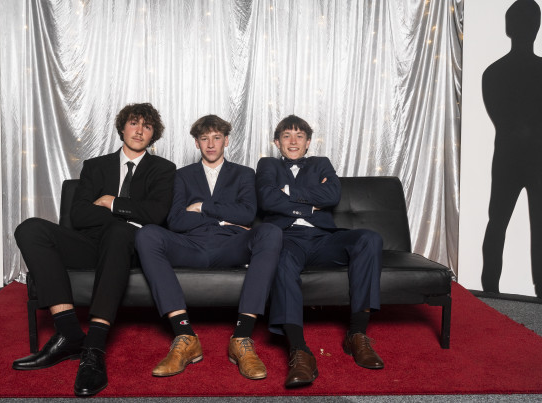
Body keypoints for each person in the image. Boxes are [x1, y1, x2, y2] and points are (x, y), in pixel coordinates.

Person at [12, 103, 175, 397]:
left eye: (147, 126)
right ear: (122, 127)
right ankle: (68, 333)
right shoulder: (95, 165)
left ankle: (95, 347)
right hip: (90, 243)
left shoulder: (163, 169)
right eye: (134, 123)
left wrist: (112, 202)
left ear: (154, 135)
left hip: (130, 247)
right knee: (30, 228)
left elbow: (157, 215)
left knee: (119, 231)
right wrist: (129, 212)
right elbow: (78, 215)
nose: (139, 130)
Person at [135, 115, 282, 380]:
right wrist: (224, 218)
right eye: (204, 139)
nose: (211, 144)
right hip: (192, 244)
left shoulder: (244, 174)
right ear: (196, 143)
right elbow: (176, 220)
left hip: (231, 245)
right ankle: (184, 335)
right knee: (147, 234)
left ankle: (242, 337)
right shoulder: (181, 175)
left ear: (226, 141)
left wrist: (203, 207)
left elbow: (247, 214)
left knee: (270, 231)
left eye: (216, 138)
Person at [256, 115, 384, 388]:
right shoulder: (267, 165)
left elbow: (332, 195)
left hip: (324, 239)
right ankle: (299, 350)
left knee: (369, 239)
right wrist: (310, 204)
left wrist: (287, 191)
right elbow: (267, 198)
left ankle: (357, 334)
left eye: (299, 136)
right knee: (280, 259)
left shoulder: (321, 163)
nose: (293, 141)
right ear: (277, 142)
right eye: (287, 136)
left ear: (308, 142)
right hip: (286, 238)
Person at [482, 0, 542, 297]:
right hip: (532, 158)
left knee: (497, 222)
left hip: (508, 157)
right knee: (507, 223)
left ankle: (490, 288)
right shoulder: (497, 72)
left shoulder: (493, 72)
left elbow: (502, 119)